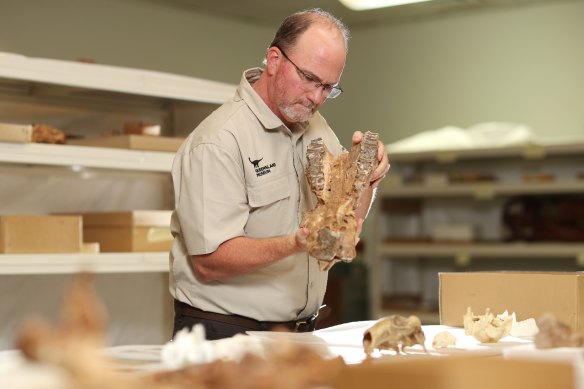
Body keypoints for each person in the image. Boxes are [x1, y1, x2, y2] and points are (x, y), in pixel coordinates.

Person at [169, 8, 389, 340]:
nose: (316, 98)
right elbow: (209, 261)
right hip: (225, 334)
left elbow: (346, 218)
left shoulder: (316, 128)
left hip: (298, 333)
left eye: (329, 87)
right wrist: (296, 242)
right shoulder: (218, 141)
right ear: (274, 60)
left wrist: (368, 178)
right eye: (310, 79)